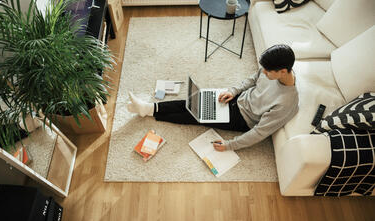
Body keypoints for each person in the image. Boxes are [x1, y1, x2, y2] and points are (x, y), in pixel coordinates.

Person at [127, 44, 299, 152]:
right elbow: (253, 79)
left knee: (196, 115)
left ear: (283, 71)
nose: (264, 72)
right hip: (238, 100)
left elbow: (260, 132)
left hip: (243, 120)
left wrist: (230, 145)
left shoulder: (285, 103)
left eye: (268, 71)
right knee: (196, 100)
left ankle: (148, 112)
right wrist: (233, 90)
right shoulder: (270, 71)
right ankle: (148, 108)